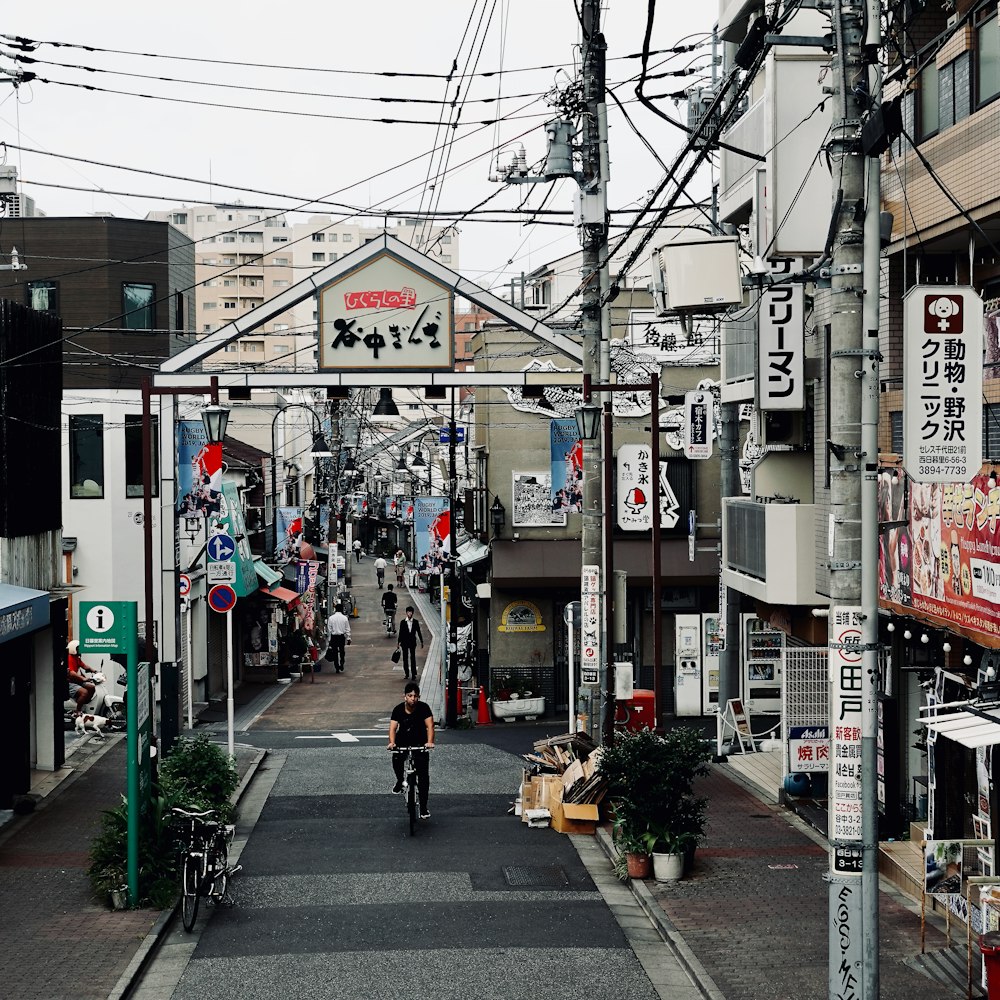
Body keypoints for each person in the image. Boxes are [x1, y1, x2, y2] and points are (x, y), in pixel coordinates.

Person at [388, 681, 435, 820]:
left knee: (423, 777)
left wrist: (430, 742)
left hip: (420, 742)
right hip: (402, 741)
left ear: (418, 697)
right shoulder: (398, 710)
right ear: (405, 696)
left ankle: (423, 808)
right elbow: (392, 728)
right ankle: (399, 781)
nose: (412, 699)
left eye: (415, 696)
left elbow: (430, 726)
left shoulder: (424, 708)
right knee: (396, 759)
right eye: (410, 696)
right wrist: (392, 743)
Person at [67, 639, 96, 713]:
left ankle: (83, 704)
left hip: (76, 681)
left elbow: (85, 666)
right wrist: (83, 678)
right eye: (78, 648)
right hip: (70, 682)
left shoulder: (77, 658)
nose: (80, 650)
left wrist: (95, 671)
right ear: (73, 649)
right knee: (84, 692)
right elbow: (72, 673)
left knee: (92, 688)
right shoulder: (70, 658)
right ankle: (78, 711)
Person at [397, 606, 424, 680]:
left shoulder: (415, 622)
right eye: (408, 612)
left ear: (412, 613)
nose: (409, 613)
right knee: (405, 658)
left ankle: (414, 674)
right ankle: (406, 673)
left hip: (412, 642)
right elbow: (400, 633)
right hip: (404, 642)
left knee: (413, 658)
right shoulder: (403, 622)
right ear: (406, 613)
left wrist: (421, 641)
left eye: (411, 612)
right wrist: (398, 642)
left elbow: (418, 632)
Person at [325, 603, 351, 673]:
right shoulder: (344, 618)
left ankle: (336, 667)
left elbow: (329, 630)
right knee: (342, 651)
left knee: (335, 652)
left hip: (334, 637)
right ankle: (342, 661)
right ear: (342, 609)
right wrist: (348, 638)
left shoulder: (331, 618)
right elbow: (347, 629)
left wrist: (329, 640)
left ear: (335, 609)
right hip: (341, 636)